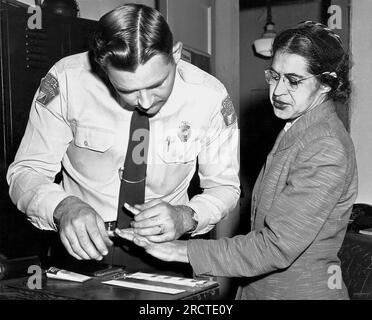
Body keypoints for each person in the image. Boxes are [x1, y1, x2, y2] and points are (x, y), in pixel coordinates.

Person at [117, 21, 358, 299]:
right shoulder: (300, 127)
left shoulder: (325, 145)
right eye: (274, 76)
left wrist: (178, 250)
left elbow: (275, 247)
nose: (278, 91)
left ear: (326, 83)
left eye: (293, 81)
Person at [6, 4, 240, 270]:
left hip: (167, 251)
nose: (146, 101)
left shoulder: (210, 96)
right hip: (81, 250)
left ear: (175, 54)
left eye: (157, 84)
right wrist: (63, 207)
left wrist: (186, 216)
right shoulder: (67, 80)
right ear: (101, 66)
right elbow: (26, 171)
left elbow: (226, 187)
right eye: (127, 90)